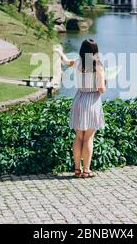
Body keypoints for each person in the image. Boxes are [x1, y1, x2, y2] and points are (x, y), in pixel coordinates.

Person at [54, 39, 106, 178]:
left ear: (82, 50)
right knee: (88, 138)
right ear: (95, 52)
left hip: (79, 99)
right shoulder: (98, 66)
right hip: (92, 101)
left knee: (78, 137)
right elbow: (101, 89)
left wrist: (60, 53)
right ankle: (86, 170)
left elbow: (65, 61)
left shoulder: (78, 63)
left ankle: (77, 170)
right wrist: (105, 81)